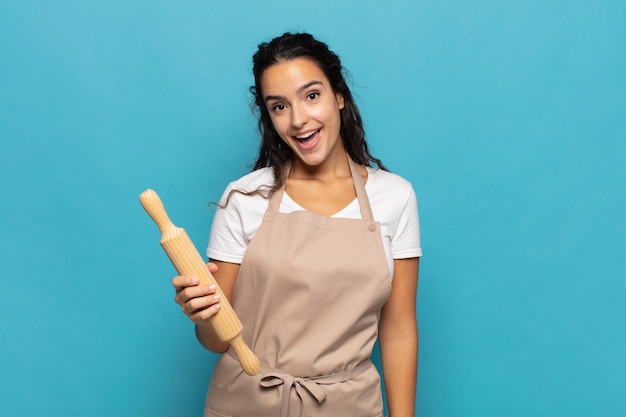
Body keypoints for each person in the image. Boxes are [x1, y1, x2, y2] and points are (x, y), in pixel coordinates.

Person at [173, 32, 422, 417]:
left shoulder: (395, 197)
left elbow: (399, 330)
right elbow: (217, 341)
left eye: (311, 95)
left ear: (338, 95)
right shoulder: (243, 198)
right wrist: (204, 315)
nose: (298, 119)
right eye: (279, 106)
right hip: (244, 403)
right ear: (269, 117)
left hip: (348, 406)